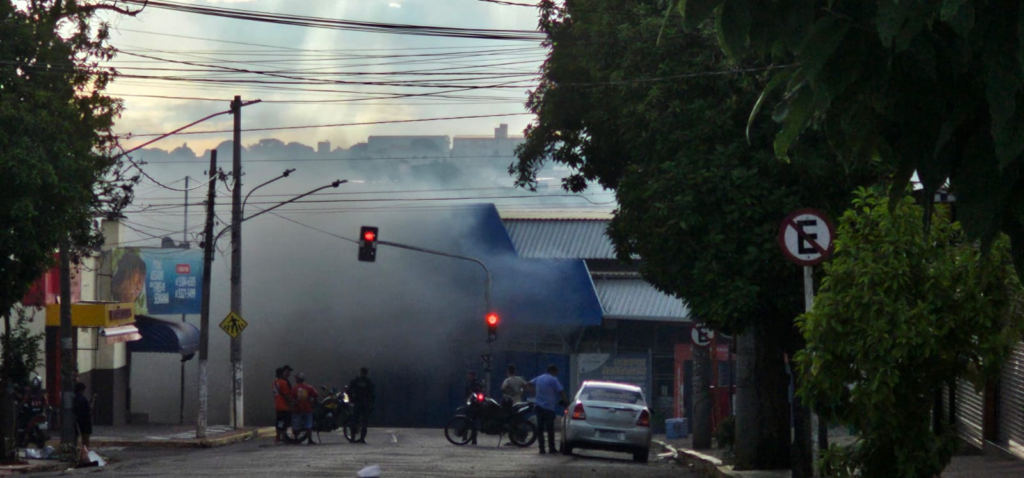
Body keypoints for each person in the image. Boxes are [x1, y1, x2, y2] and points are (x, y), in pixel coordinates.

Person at [527, 364, 567, 454]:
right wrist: (565, 401)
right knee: (550, 429)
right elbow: (561, 391)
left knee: (540, 429)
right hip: (549, 408)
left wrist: (533, 392)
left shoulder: (539, 378)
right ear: (553, 371)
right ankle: (551, 448)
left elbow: (528, 384)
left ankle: (542, 448)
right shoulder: (553, 379)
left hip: (538, 407)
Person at [348, 367, 375, 444]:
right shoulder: (369, 382)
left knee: (355, 420)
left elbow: (348, 390)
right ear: (367, 373)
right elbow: (372, 394)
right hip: (366, 403)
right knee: (364, 421)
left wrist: (352, 399)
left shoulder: (356, 381)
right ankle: (362, 438)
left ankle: (352, 438)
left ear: (361, 372)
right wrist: (371, 404)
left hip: (357, 402)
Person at [290, 372, 318, 445]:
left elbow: (291, 398)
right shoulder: (309, 387)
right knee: (309, 424)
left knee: (296, 423)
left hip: (297, 408)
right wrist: (313, 403)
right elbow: (315, 395)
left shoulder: (294, 388)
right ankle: (309, 440)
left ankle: (296, 439)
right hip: (307, 408)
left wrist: (295, 403)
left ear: (298, 379)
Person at [273, 366, 294, 444]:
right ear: (282, 374)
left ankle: (277, 437)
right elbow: (286, 395)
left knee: (279, 422)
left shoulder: (275, 382)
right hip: (284, 406)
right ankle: (283, 437)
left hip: (277, 405)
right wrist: (291, 403)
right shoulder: (284, 382)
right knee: (285, 422)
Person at [463, 370, 484, 445]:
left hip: (475, 406)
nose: (469, 377)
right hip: (471, 405)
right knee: (468, 422)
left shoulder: (476, 385)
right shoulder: (469, 384)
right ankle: (465, 438)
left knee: (473, 423)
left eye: (470, 375)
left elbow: (480, 394)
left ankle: (472, 439)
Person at [73, 382, 92, 457]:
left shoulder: (74, 398)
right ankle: (85, 452)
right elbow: (88, 409)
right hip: (85, 419)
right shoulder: (82, 399)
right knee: (86, 437)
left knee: (82, 436)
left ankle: (83, 451)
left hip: (79, 419)